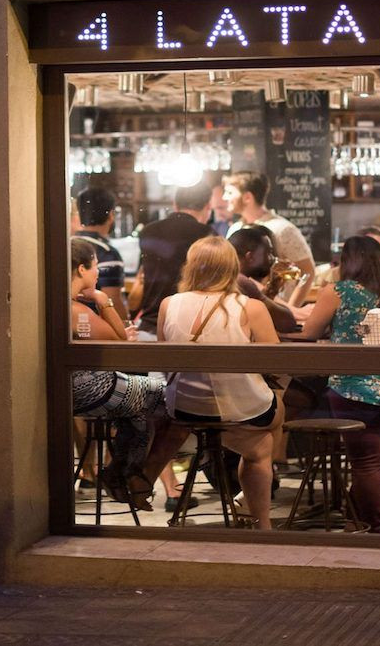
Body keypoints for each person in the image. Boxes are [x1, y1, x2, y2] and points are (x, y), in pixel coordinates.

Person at [140, 236, 283, 529]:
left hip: (184, 408)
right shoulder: (251, 307)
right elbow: (277, 363)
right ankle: (262, 521)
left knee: (247, 420)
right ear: (233, 269)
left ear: (190, 267)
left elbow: (167, 365)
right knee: (270, 426)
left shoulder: (169, 305)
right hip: (240, 409)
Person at [302, 236, 380, 533]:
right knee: (372, 460)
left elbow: (309, 332)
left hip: (354, 388)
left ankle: (376, 531)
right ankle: (358, 521)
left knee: (366, 463)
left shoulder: (338, 291)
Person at [67, 238, 164, 509]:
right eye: (95, 266)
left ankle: (121, 472)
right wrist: (103, 298)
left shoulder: (69, 304)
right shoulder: (76, 309)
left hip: (82, 388)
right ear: (81, 270)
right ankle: (122, 472)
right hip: (93, 389)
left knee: (139, 408)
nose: (98, 272)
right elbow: (120, 341)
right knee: (168, 397)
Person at [130, 182, 215, 339]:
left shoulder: (148, 231)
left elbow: (141, 277)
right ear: (208, 206)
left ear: (175, 204)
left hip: (150, 325)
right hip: (190, 327)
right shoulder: (208, 235)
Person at [224, 171, 316, 306]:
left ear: (247, 197)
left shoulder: (284, 229)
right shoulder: (235, 228)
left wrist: (291, 309)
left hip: (277, 312)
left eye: (230, 193)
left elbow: (308, 271)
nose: (224, 197)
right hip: (241, 308)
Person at [228, 226, 299, 333]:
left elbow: (264, 310)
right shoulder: (241, 282)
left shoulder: (227, 276)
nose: (272, 258)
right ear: (250, 256)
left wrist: (272, 288)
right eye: (268, 252)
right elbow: (286, 323)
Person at [73, 187, 129, 322]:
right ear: (110, 215)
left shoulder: (67, 245)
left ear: (80, 214)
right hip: (96, 326)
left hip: (66, 324)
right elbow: (113, 300)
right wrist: (125, 327)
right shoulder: (107, 253)